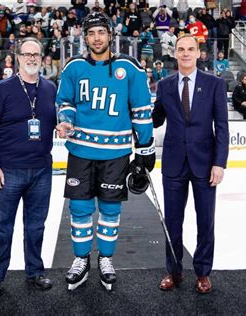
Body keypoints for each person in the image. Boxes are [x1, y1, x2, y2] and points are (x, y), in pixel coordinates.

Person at [55, 12, 155, 291]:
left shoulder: (130, 68)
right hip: (81, 151)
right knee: (80, 208)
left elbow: (141, 111)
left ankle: (106, 260)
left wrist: (145, 148)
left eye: (101, 32)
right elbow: (65, 102)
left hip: (116, 153)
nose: (96, 38)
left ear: (110, 35)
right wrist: (66, 120)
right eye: (91, 33)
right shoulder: (73, 67)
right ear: (84, 38)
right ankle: (81, 259)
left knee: (110, 209)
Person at [152, 34, 229, 294]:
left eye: (190, 49)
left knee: (205, 221)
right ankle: (173, 271)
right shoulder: (164, 85)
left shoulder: (214, 84)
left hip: (205, 164)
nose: (185, 53)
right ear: (174, 53)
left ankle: (203, 272)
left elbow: (222, 126)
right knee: (172, 221)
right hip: (173, 164)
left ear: (198, 53)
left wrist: (219, 164)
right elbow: (155, 120)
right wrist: (136, 105)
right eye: (181, 49)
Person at [0, 37, 56, 297]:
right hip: (8, 171)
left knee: (36, 226)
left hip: (42, 171)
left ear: (42, 57)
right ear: (18, 57)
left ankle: (35, 272)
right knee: (2, 226)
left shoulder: (50, 89)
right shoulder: (1, 89)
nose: (32, 58)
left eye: (36, 54)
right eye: (27, 54)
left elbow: (58, 121)